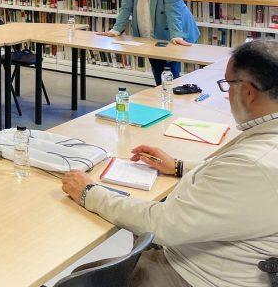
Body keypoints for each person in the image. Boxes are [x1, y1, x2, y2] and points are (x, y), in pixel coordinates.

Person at [61, 39, 278, 287]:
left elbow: (163, 224)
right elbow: (234, 179)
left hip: (197, 276)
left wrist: (89, 193)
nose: (226, 94)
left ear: (248, 92)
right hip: (213, 256)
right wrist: (177, 166)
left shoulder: (256, 164)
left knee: (81, 279)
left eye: (227, 85)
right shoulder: (265, 142)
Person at [97, 0, 200, 85]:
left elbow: (173, 12)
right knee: (157, 67)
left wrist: (176, 35)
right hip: (148, 31)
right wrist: (116, 30)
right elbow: (126, 7)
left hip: (173, 31)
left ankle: (170, 94)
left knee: (169, 69)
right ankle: (162, 93)